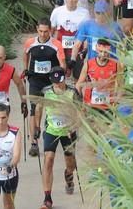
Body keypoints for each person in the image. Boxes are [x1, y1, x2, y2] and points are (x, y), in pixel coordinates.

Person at [23, 19, 66, 157]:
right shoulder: (30, 42)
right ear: (37, 29)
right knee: (34, 109)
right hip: (35, 80)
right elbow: (26, 53)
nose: (43, 34)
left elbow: (62, 62)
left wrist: (60, 77)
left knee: (50, 108)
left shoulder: (56, 44)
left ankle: (51, 132)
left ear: (50, 30)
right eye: (40, 31)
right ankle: (34, 142)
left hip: (50, 81)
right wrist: (25, 68)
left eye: (46, 31)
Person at [40, 67, 81, 209]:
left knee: (71, 165)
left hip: (68, 132)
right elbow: (38, 109)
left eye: (60, 81)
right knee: (48, 160)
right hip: (51, 131)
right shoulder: (45, 92)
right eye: (55, 82)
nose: (57, 84)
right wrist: (35, 129)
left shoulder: (72, 92)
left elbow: (80, 112)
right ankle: (47, 198)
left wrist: (74, 126)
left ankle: (68, 177)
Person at [71, 0, 123, 78]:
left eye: (103, 13)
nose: (100, 16)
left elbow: (123, 45)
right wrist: (73, 59)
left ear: (108, 13)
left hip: (111, 64)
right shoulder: (87, 25)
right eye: (98, 13)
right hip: (93, 64)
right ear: (94, 12)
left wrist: (122, 63)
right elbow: (77, 44)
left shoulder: (115, 27)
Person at [75, 38, 123, 112]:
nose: (103, 55)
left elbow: (120, 86)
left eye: (106, 52)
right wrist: (79, 100)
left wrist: (117, 101)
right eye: (101, 51)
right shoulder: (88, 64)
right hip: (90, 105)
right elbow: (79, 84)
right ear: (97, 49)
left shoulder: (116, 65)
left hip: (108, 107)